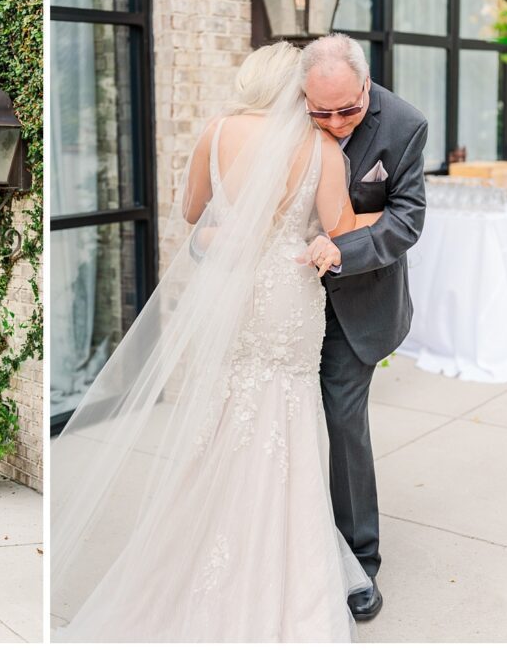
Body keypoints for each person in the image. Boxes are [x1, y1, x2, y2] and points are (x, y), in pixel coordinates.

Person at [51, 41, 387, 641]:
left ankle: (206, 539)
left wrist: (229, 225)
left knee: (229, 410)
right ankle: (283, 553)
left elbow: (190, 212)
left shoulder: (216, 130)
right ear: (298, 91)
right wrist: (383, 216)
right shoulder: (319, 148)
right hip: (289, 292)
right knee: (286, 413)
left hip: (233, 287)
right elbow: (337, 230)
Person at [299, 34, 428, 620]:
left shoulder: (404, 125)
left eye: (347, 110)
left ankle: (358, 560)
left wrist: (342, 246)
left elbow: (406, 219)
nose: (333, 123)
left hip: (360, 301)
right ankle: (284, 544)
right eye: (319, 112)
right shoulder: (288, 118)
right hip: (285, 298)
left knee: (344, 421)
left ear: (367, 86)